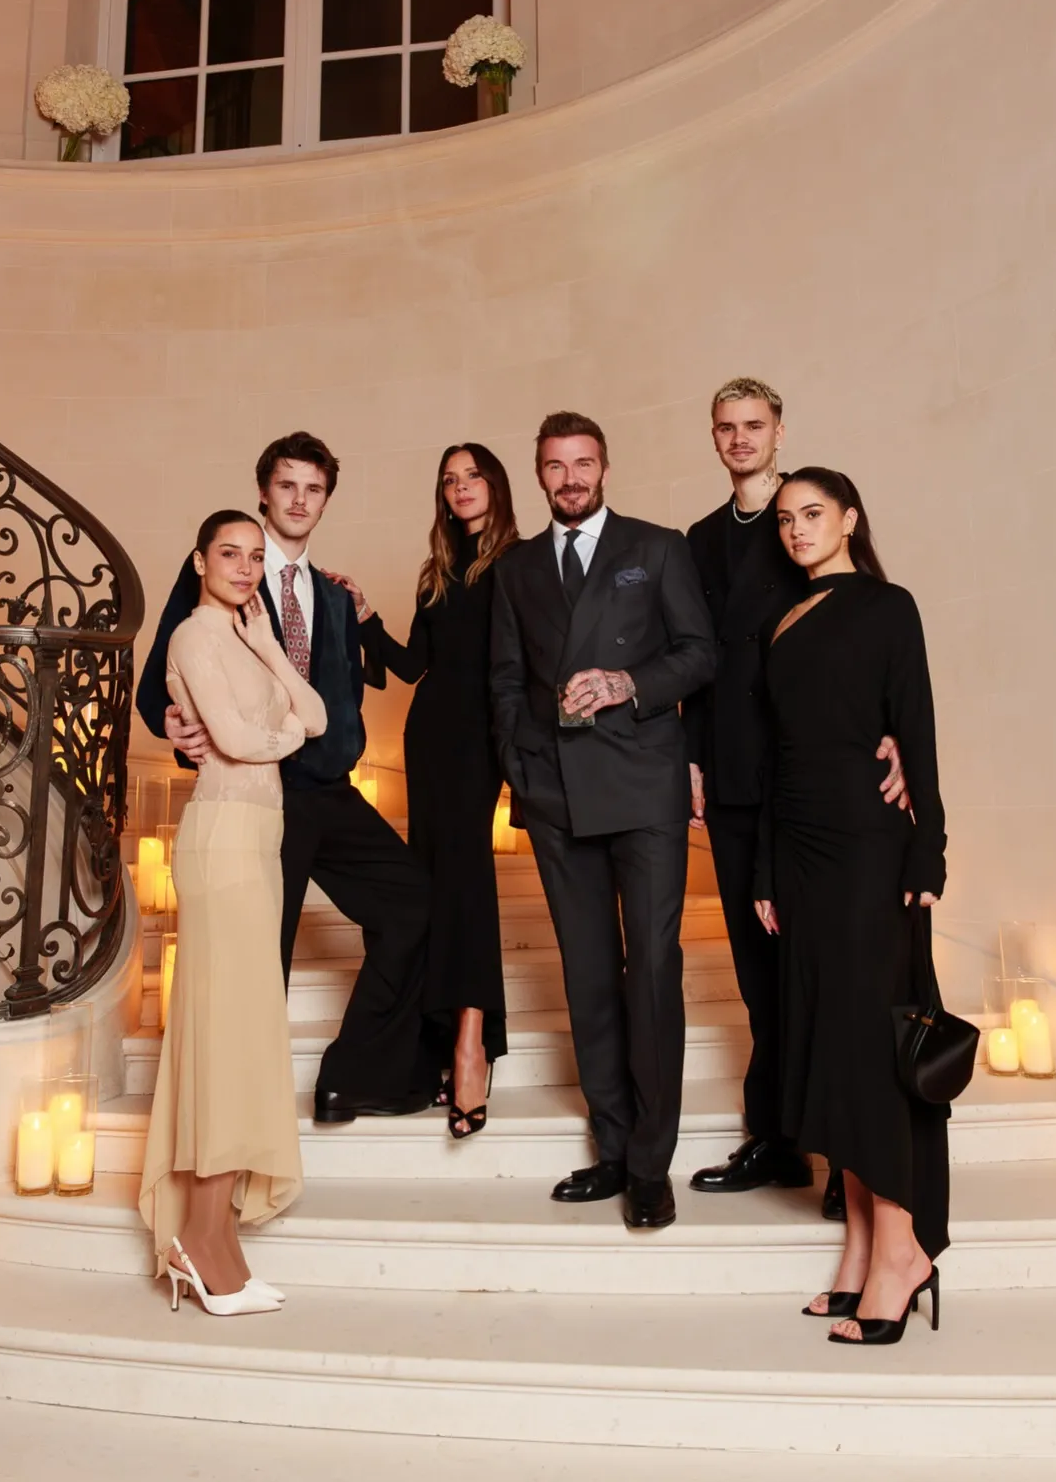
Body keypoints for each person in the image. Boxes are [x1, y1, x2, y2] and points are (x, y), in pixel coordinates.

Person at [137, 433, 433, 1125]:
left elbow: (335, 695)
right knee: (257, 959)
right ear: (264, 491)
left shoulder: (333, 598)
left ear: (326, 499)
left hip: (327, 790)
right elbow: (161, 682)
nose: (300, 499)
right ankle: (236, 1122)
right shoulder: (224, 569)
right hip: (253, 793)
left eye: (314, 488)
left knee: (413, 903)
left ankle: (353, 1077)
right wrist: (175, 727)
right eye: (287, 485)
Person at [682, 378, 908, 1223]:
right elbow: (696, 661)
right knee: (759, 969)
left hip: (819, 785)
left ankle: (846, 1154)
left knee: (831, 976)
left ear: (779, 431)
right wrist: (691, 758)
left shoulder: (808, 515)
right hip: (738, 781)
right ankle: (778, 1134)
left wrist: (897, 743)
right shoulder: (700, 540)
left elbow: (867, 626)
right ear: (713, 437)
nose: (741, 439)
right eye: (726, 428)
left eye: (755, 426)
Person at [491, 411, 714, 1228]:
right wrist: (523, 765)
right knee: (587, 974)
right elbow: (504, 682)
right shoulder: (515, 569)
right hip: (555, 793)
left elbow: (700, 652)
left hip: (644, 784)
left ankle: (652, 1164)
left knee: (651, 969)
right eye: (556, 465)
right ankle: (613, 1146)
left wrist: (626, 684)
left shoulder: (656, 548)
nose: (571, 477)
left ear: (606, 468)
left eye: (584, 463)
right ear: (541, 474)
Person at [754, 467, 948, 1346]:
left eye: (814, 514)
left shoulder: (886, 605)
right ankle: (862, 1242)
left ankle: (903, 1250)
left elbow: (918, 730)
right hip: (799, 851)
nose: (797, 529)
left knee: (873, 1048)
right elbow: (772, 755)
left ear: (849, 518)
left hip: (871, 847)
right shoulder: (779, 620)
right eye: (788, 518)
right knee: (831, 1042)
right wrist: (763, 868)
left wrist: (928, 848)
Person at [139, 510, 324, 1317]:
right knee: (225, 1033)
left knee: (243, 1030)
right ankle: (200, 1237)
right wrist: (272, 728)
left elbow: (312, 717)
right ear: (199, 558)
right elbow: (240, 741)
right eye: (230, 554)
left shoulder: (248, 635)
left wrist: (273, 659)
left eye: (256, 556)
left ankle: (212, 1234)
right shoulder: (190, 636)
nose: (246, 567)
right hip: (221, 835)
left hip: (260, 835)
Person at [333, 444, 520, 1140]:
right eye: (450, 480)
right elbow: (413, 667)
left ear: (495, 486)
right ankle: (441, 1036)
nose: (461, 487)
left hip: (483, 740)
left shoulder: (520, 564)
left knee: (468, 883)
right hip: (430, 736)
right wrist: (363, 617)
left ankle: (472, 1041)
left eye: (472, 476)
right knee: (437, 886)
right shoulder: (437, 572)